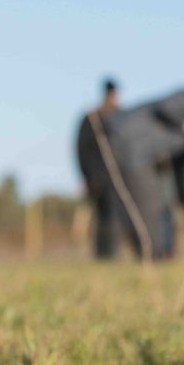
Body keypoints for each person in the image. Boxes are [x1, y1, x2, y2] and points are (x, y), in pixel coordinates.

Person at [105, 89, 184, 260]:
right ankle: (146, 255)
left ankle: (157, 255)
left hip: (145, 158)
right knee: (141, 206)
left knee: (156, 204)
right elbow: (165, 107)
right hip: (125, 142)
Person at [75, 78, 122, 259]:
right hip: (97, 178)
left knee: (115, 216)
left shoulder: (119, 116)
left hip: (117, 177)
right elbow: (82, 149)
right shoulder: (92, 118)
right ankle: (101, 254)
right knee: (101, 217)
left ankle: (113, 253)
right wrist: (86, 177)